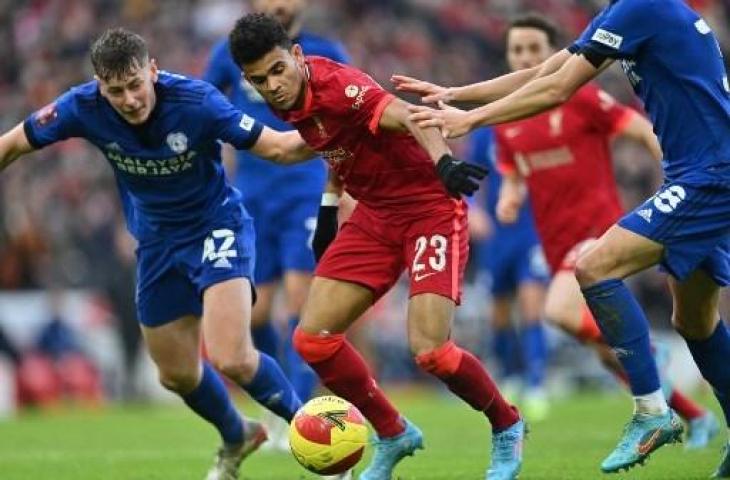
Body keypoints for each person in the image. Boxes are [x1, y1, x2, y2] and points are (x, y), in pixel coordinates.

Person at [395, 1, 730, 475]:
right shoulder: (629, 10)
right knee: (694, 320)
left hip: (709, 175)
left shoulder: (641, 6)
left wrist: (471, 120)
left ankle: (653, 411)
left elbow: (557, 86)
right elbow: (548, 67)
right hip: (701, 171)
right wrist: (457, 94)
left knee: (594, 268)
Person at [0, 28, 315, 480]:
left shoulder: (196, 102)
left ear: (152, 71)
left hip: (216, 228)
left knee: (231, 357)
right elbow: (11, 144)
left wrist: (347, 131)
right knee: (177, 375)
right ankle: (236, 434)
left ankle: (317, 434)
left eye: (134, 85)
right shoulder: (80, 107)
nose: (128, 99)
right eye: (115, 91)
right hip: (156, 244)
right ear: (98, 86)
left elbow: (279, 148)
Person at [228, 13, 528, 480]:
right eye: (258, 80)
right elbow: (335, 144)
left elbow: (408, 114)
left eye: (278, 71)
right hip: (374, 216)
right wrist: (329, 206)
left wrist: (445, 164)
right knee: (313, 340)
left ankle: (507, 425)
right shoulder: (291, 103)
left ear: (298, 57)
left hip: (429, 209)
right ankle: (393, 431)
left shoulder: (338, 85)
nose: (272, 85)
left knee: (432, 352)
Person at [479, 12, 718, 445]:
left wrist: (673, 173)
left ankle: (651, 381)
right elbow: (514, 173)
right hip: (553, 238)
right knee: (621, 351)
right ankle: (693, 414)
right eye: (517, 49)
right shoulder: (509, 124)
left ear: (549, 53)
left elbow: (638, 127)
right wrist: (509, 195)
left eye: (534, 49)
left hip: (597, 226)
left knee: (557, 311)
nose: (525, 57)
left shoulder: (582, 98)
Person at [203, 0, 350, 450]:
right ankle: (280, 400)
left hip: (304, 189)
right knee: (259, 312)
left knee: (302, 302)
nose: (278, 4)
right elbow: (202, 109)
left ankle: (303, 412)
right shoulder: (228, 55)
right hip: (251, 196)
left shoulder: (326, 50)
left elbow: (349, 118)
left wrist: (345, 189)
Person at [467, 126, 551, 420]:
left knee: (531, 308)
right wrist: (472, 211)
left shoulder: (537, 124)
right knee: (499, 312)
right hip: (497, 234)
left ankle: (537, 383)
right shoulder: (484, 134)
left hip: (531, 231)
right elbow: (470, 179)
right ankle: (510, 376)